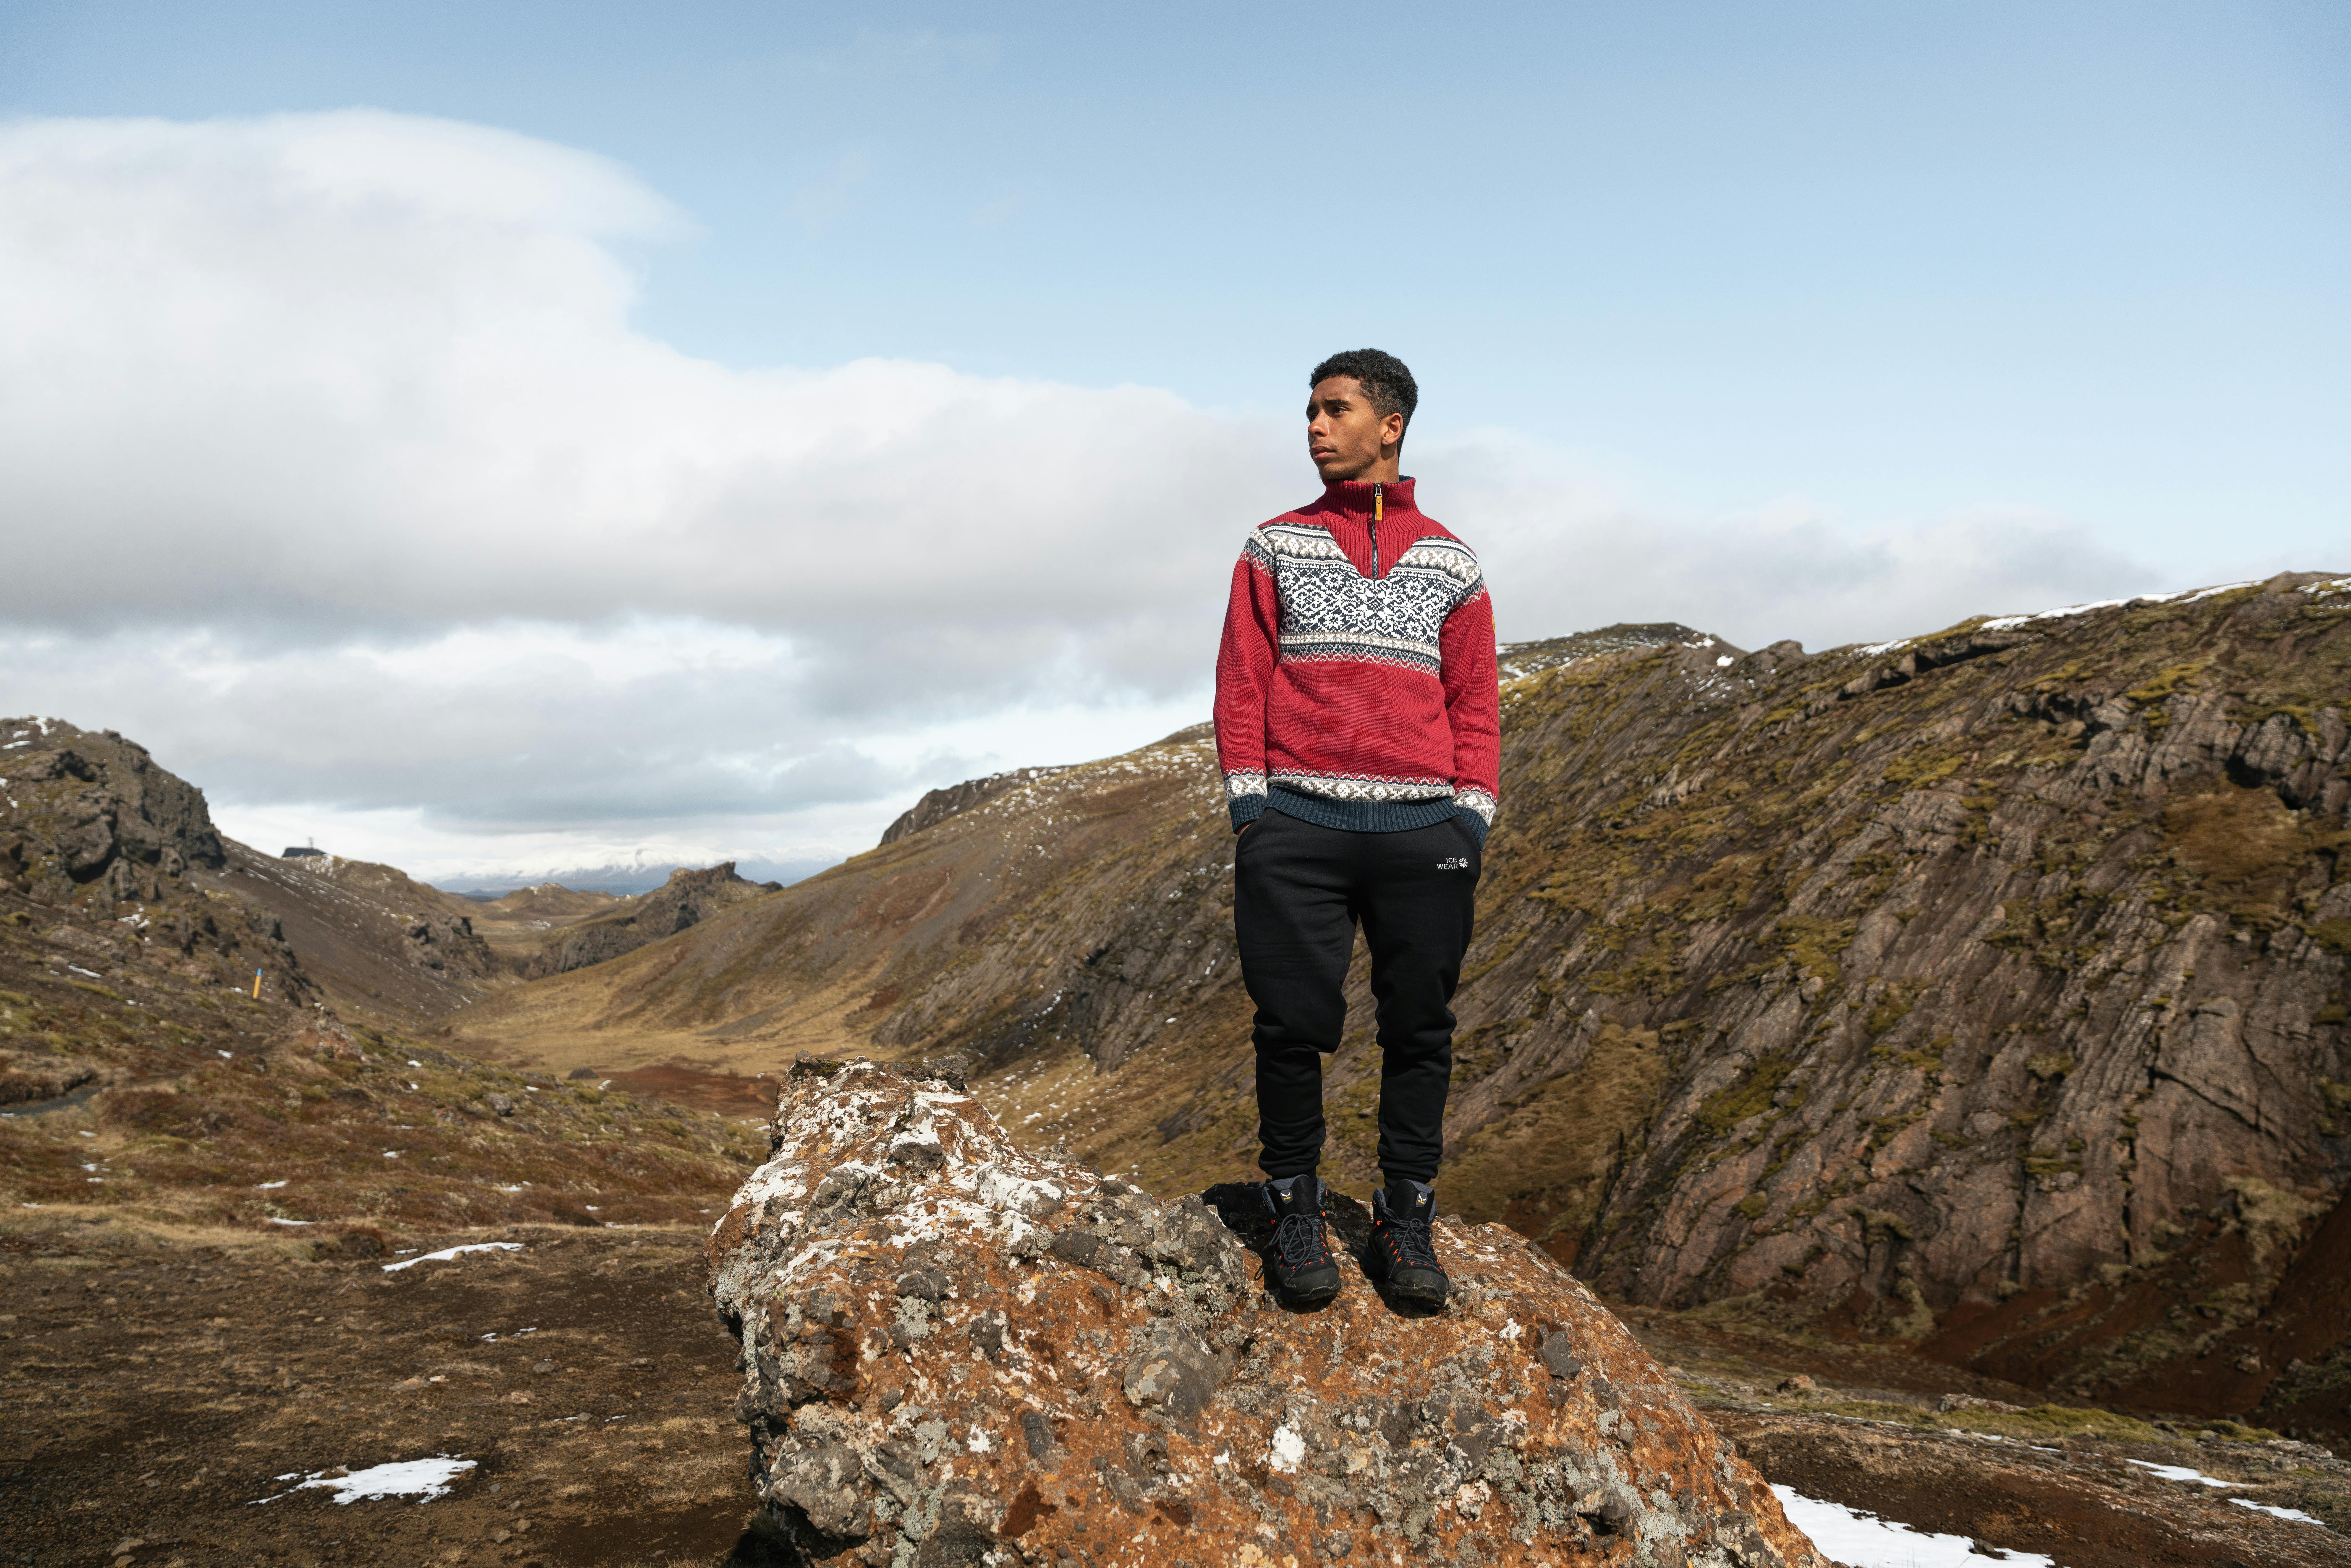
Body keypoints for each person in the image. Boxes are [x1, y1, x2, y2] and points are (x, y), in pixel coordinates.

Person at [1212, 348, 1499, 1306]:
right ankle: (1294, 1206)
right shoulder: (1272, 546)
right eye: (1309, 412)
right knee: (1291, 1028)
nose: (1314, 427)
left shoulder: (1453, 560)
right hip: (1296, 827)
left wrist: (1472, 818)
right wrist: (1253, 808)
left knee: (1422, 1031)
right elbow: (1242, 681)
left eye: (1333, 410)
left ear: (1392, 425)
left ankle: (1406, 1219)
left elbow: (1476, 702)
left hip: (1426, 836)